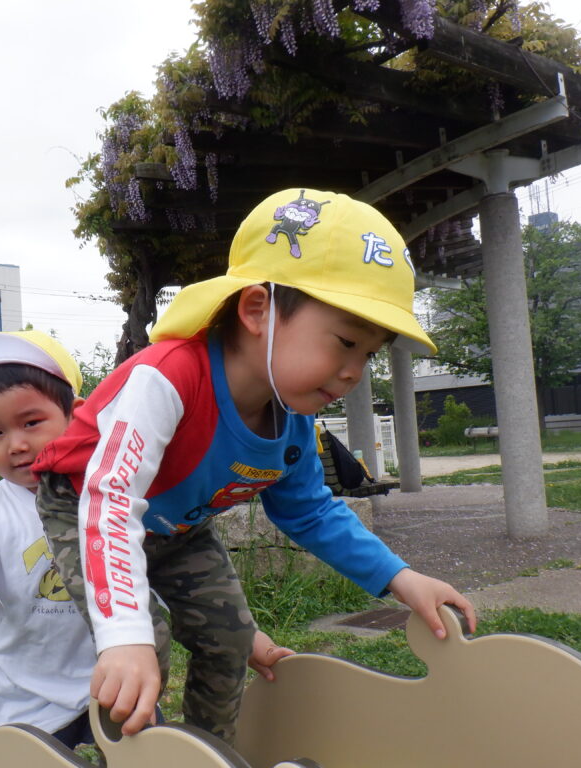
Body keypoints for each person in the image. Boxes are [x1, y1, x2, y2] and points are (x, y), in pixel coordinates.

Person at [32, 188, 478, 744]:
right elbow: (111, 498)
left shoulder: (292, 422)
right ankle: (138, 758)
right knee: (142, 643)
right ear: (256, 310)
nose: (354, 371)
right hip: (85, 507)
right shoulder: (167, 378)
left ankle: (211, 753)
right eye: (345, 342)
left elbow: (311, 512)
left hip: (177, 529)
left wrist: (402, 579)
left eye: (368, 354)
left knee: (230, 639)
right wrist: (122, 636)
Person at [0, 330, 292, 750]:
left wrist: (243, 636)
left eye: (31, 423)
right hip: (25, 700)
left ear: (77, 417)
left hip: (118, 682)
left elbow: (179, 579)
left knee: (141, 754)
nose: (17, 444)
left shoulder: (115, 497)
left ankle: (205, 753)